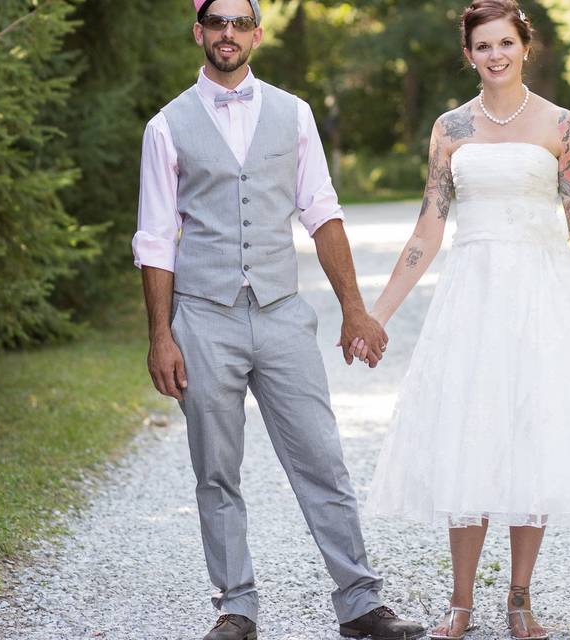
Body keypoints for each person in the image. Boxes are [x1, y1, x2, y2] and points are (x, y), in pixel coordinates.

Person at [353, 2, 570, 638]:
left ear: (526, 47)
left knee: (536, 435)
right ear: (468, 53)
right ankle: (461, 602)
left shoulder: (559, 125)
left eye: (505, 42)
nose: (495, 54)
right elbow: (428, 227)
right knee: (466, 434)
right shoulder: (450, 128)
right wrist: (376, 315)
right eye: (482, 45)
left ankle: (520, 598)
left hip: (542, 296)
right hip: (471, 298)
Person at [133, 1, 425, 639]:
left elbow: (320, 209)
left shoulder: (293, 114)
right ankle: (236, 607)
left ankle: (360, 603)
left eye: (240, 24)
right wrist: (161, 335)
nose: (228, 34)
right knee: (216, 468)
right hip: (203, 319)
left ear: (257, 35)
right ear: (200, 33)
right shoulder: (166, 126)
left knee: (322, 459)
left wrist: (354, 307)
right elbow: (156, 238)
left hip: (282, 313)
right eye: (218, 24)